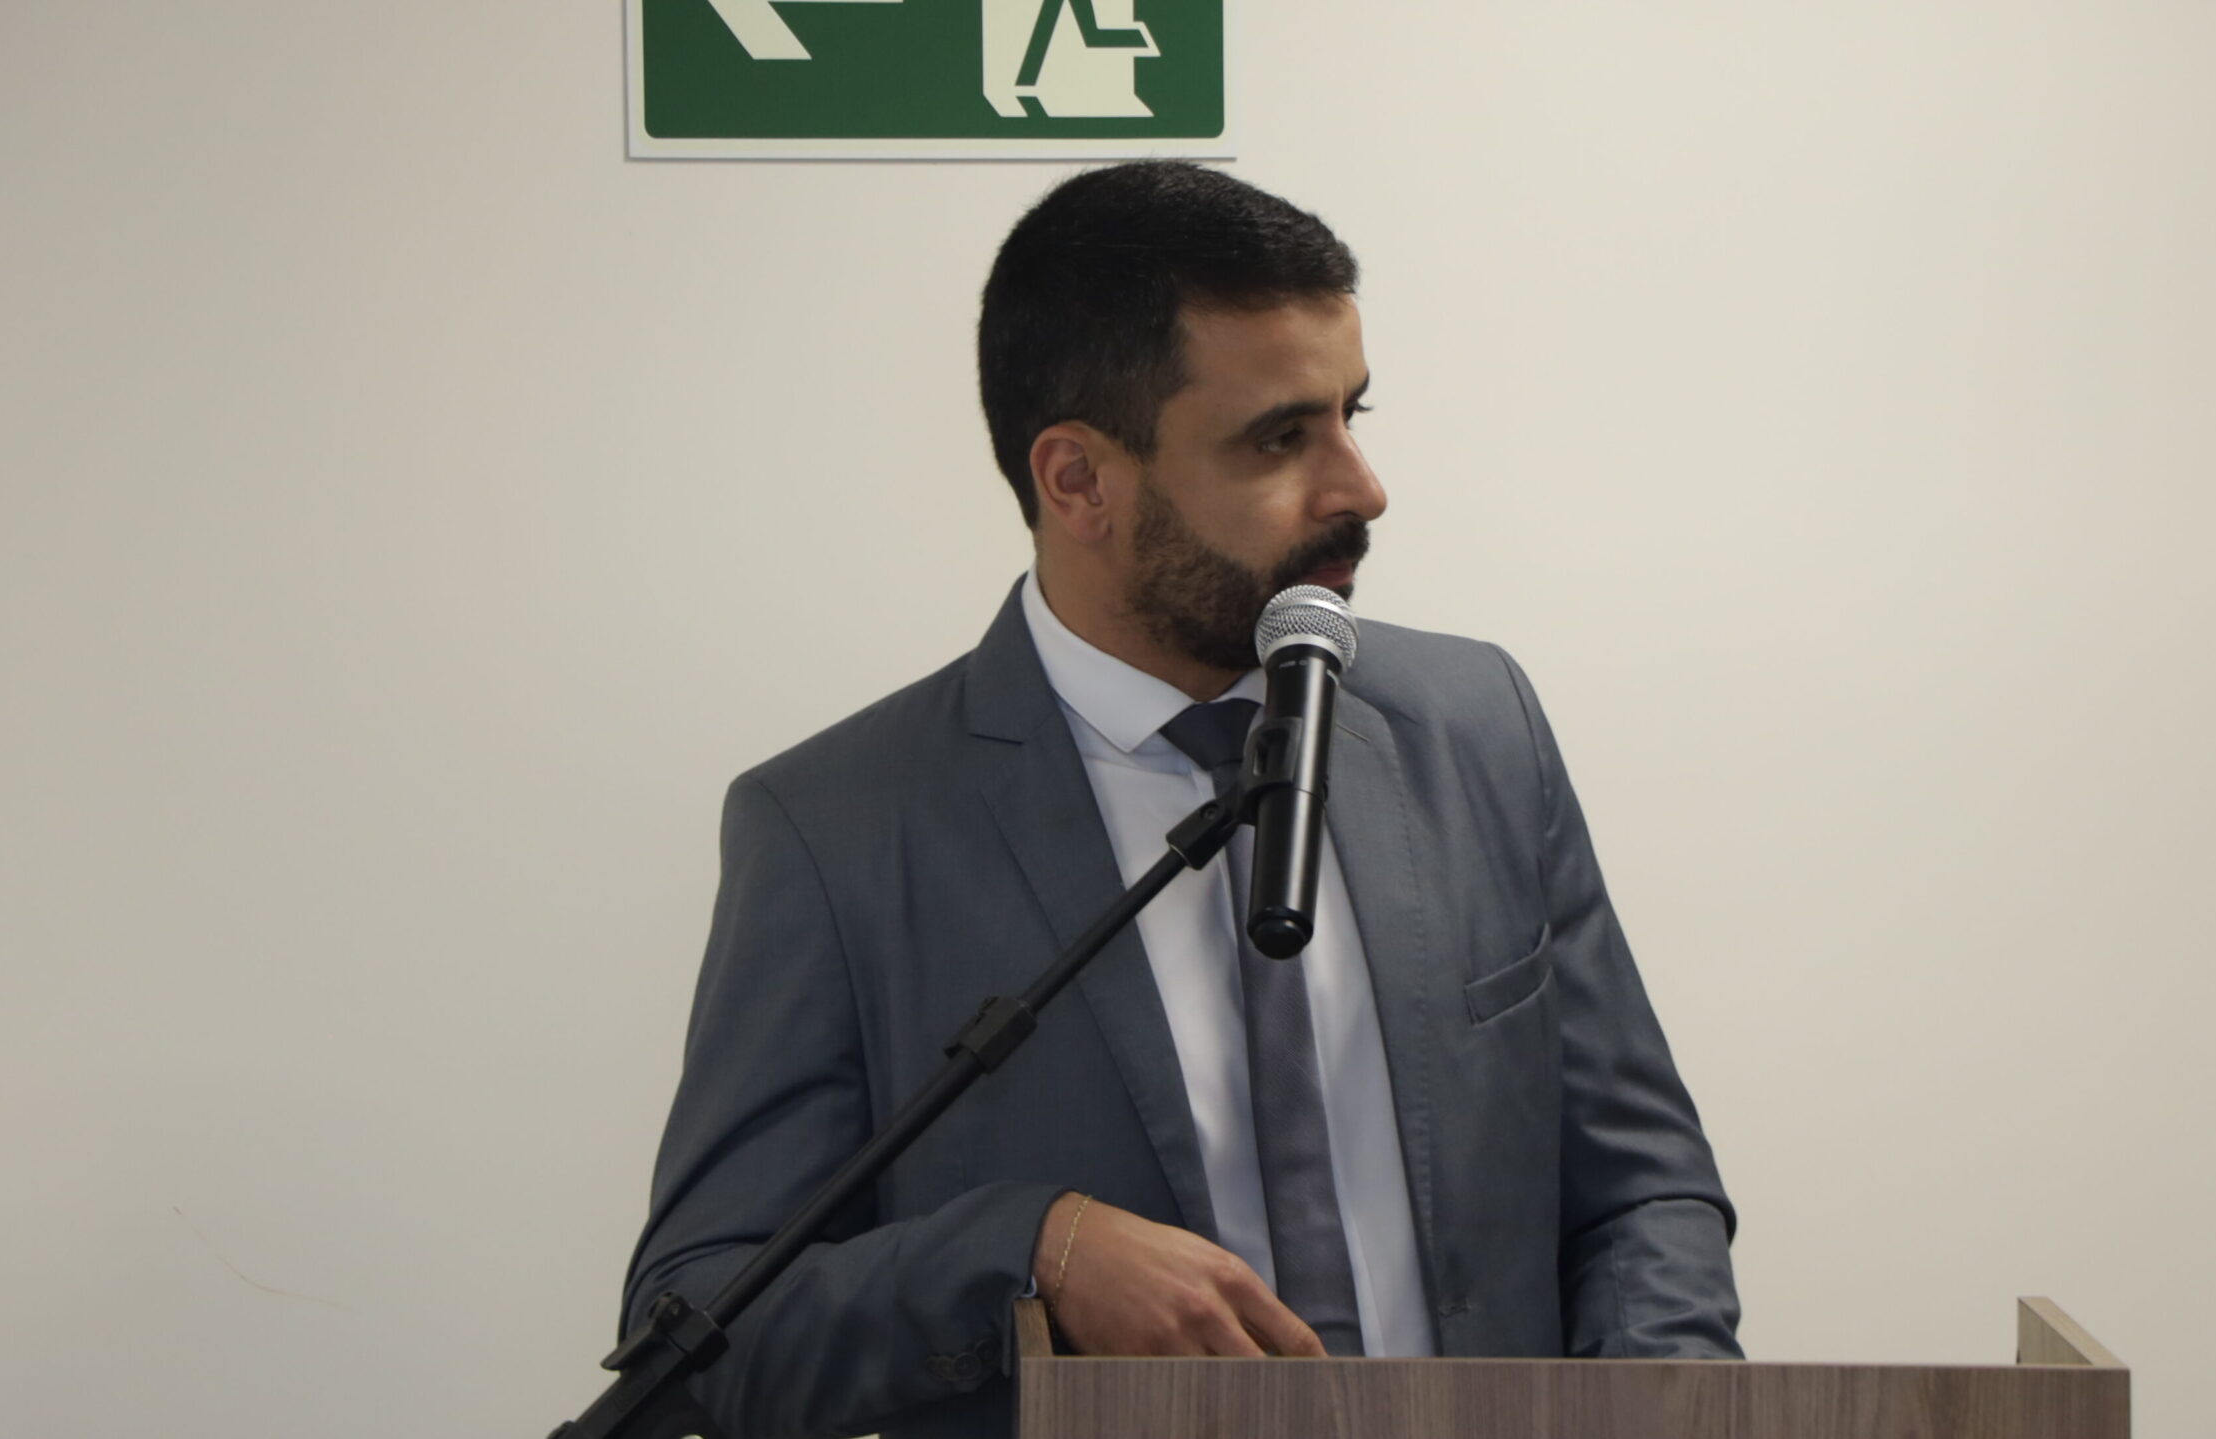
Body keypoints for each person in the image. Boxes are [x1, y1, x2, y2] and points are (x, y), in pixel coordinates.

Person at [621, 161, 1741, 1439]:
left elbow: (1644, 1189)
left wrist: (1659, 1402)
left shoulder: (1474, 725)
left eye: (1351, 414)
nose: (1360, 488)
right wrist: (1028, 1248)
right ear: (1078, 481)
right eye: (1278, 438)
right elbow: (700, 1326)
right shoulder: (840, 829)